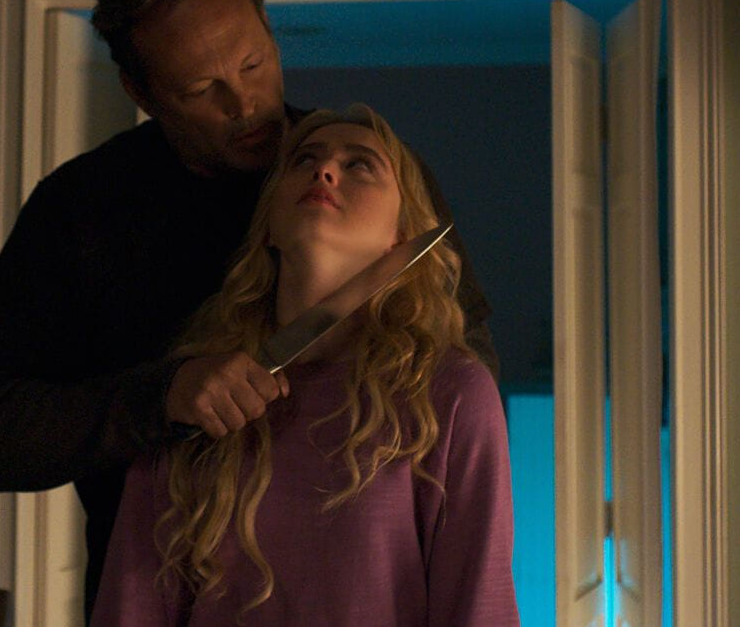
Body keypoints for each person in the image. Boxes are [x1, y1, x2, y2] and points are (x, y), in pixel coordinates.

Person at [0, 0, 498, 617]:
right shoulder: (80, 210)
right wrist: (160, 399)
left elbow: (461, 394)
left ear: (270, 30)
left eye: (253, 63)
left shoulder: (372, 178)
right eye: (201, 89)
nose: (244, 105)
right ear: (141, 92)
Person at [91, 105, 518, 626]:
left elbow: (480, 605)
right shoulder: (196, 394)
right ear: (269, 224)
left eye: (360, 164)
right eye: (305, 160)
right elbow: (130, 607)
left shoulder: (448, 391)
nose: (325, 170)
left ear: (400, 234)